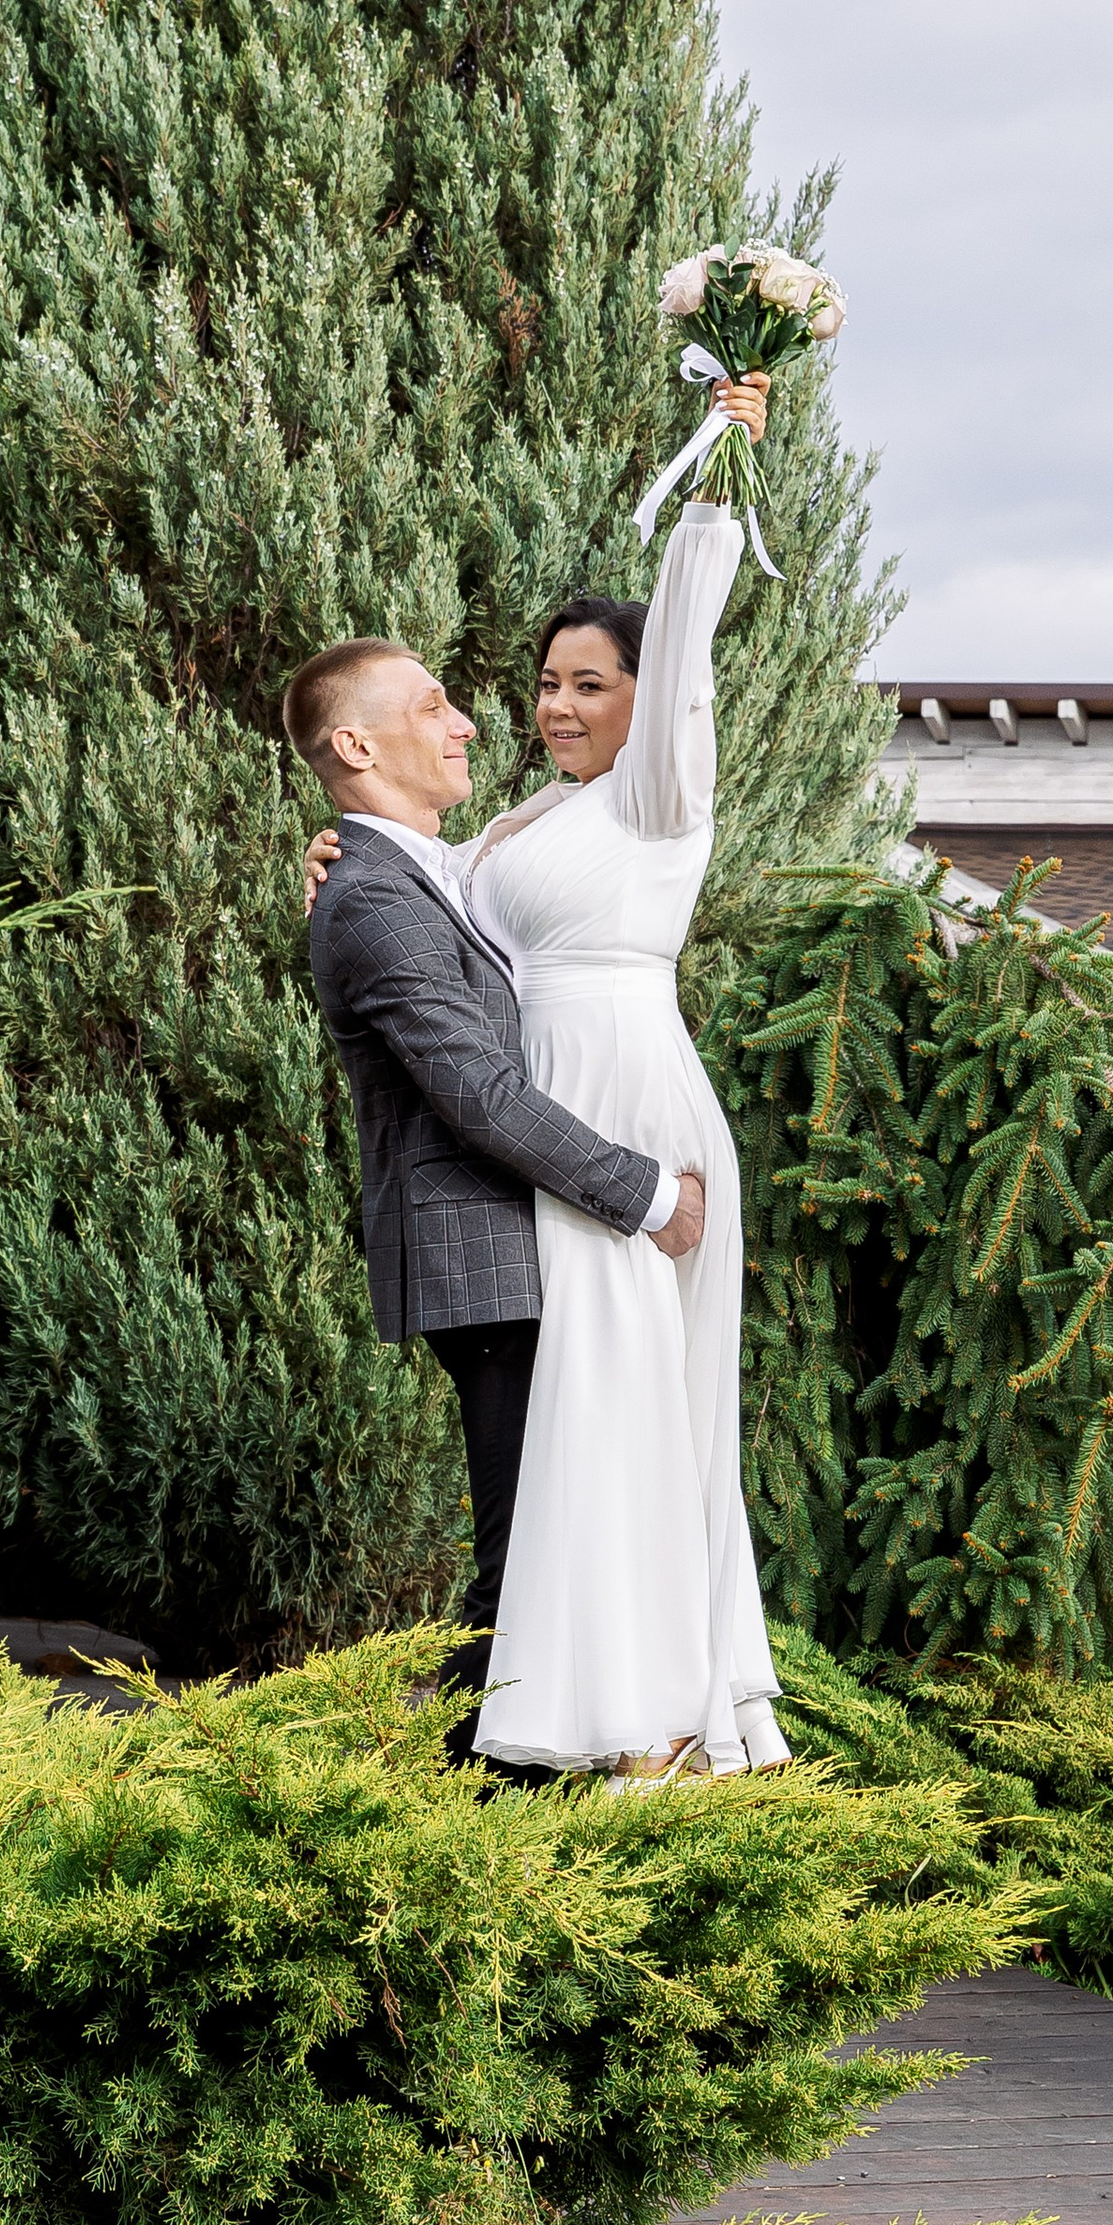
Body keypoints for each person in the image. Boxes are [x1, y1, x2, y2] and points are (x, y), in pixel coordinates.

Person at [298, 375, 788, 1781]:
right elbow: (434, 908)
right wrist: (334, 856)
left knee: (629, 1442)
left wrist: (716, 482)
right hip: (552, 1153)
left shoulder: (659, 788)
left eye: (594, 682)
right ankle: (574, 1733)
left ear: (649, 702)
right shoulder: (521, 821)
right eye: (548, 682)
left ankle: (625, 1724)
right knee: (576, 1461)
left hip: (618, 1110)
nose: (556, 703)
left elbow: (686, 649)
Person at [282, 622, 710, 1765]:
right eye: (430, 706)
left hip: (529, 1245)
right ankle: (479, 1796)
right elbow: (474, 1089)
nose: (467, 719)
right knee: (524, 1547)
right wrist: (642, 1193)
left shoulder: (424, 870)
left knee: (550, 1535)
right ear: (356, 746)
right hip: (487, 1257)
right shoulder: (372, 901)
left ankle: (509, 1784)